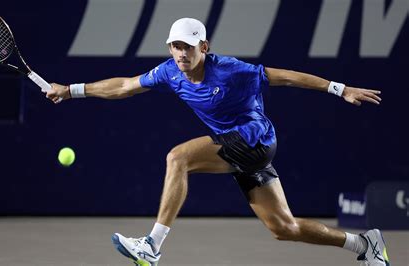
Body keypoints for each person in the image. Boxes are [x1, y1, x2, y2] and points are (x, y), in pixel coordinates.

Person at [46, 18, 389, 266]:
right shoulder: (169, 72)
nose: (181, 53)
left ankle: (152, 245)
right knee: (285, 227)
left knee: (178, 158)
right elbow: (123, 86)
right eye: (175, 46)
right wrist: (72, 91)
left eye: (188, 47)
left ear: (204, 47)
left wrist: (339, 88)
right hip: (238, 148)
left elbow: (284, 77)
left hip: (256, 140)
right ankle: (364, 244)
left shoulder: (230, 70)